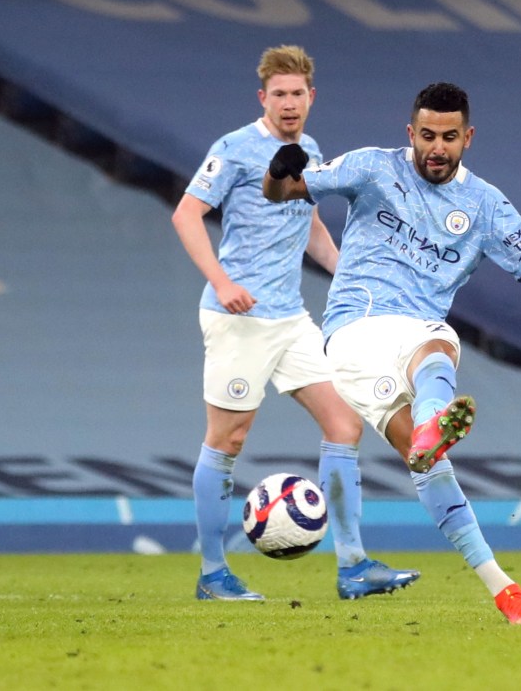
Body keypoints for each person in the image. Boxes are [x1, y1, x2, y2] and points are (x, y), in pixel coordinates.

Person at [263, 81, 521, 625]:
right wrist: (280, 169)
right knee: (441, 341)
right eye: (426, 136)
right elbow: (283, 192)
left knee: (429, 466)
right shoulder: (372, 167)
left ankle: (505, 591)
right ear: (410, 134)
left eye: (448, 137)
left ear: (468, 138)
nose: (436, 147)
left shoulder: (485, 205)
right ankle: (431, 418)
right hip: (356, 330)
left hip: (368, 362)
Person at [171, 45, 419, 602]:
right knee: (228, 439)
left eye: (297, 94)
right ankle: (213, 574)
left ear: (312, 97)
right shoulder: (235, 149)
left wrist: (351, 276)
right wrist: (222, 282)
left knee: (345, 424)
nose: (288, 103)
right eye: (278, 94)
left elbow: (310, 228)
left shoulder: (307, 151)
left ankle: (353, 566)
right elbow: (186, 214)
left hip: (291, 320)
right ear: (263, 98)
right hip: (239, 320)